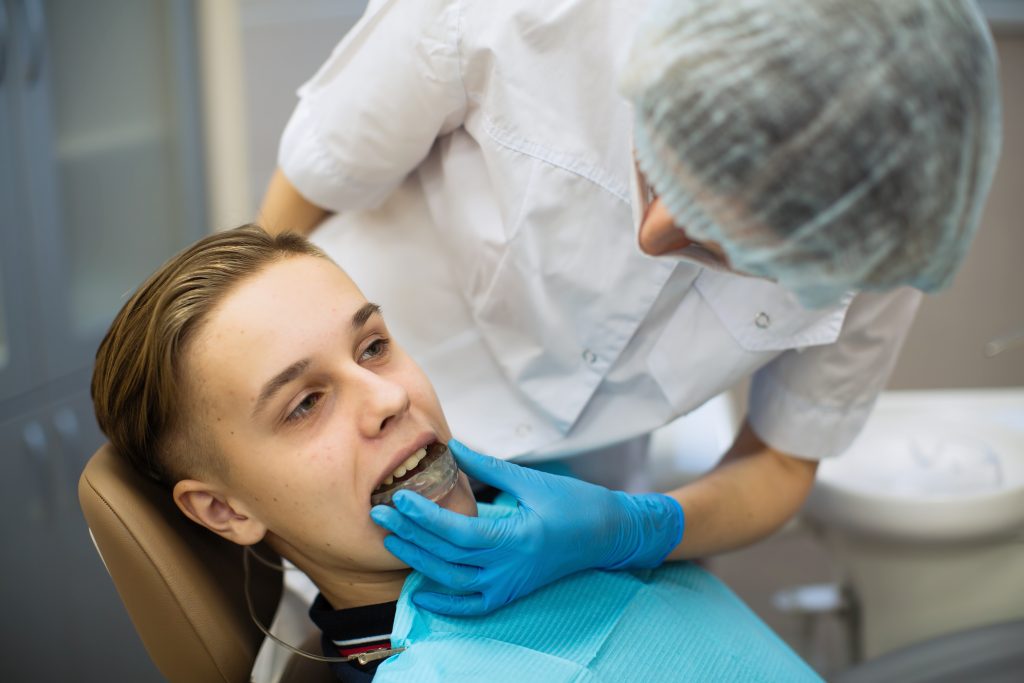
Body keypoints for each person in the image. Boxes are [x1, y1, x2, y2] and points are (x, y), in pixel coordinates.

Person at [259, 0, 1002, 615]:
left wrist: (628, 530)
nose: (653, 237)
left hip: (591, 481)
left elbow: (781, 460)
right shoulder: (521, 17)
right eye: (657, 170)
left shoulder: (880, 219)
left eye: (720, 248)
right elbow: (306, 192)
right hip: (333, 434)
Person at [90, 225, 822, 682]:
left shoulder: (548, 512)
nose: (387, 398)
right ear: (224, 508)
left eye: (373, 346)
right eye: (305, 403)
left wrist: (636, 526)